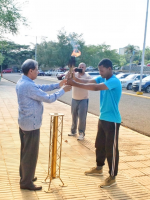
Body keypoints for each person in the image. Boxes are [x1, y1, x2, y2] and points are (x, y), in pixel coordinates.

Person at [16, 59, 71, 191]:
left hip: (25, 122)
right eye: (37, 69)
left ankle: (25, 176)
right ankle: (26, 182)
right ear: (31, 71)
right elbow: (49, 98)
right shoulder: (28, 85)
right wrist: (63, 90)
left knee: (25, 151)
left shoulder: (23, 81)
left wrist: (58, 85)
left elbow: (41, 88)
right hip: (31, 125)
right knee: (30, 154)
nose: (38, 71)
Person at [66, 58, 121, 188]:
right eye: (99, 70)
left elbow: (95, 88)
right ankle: (99, 167)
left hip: (112, 120)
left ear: (109, 69)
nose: (100, 73)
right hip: (103, 118)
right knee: (100, 145)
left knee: (111, 149)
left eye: (102, 70)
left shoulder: (114, 81)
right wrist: (74, 78)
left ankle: (112, 177)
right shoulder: (103, 78)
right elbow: (85, 81)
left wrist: (74, 83)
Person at [68, 62, 92, 140]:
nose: (81, 68)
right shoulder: (74, 74)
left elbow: (84, 82)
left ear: (85, 68)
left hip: (83, 99)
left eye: (82, 67)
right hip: (74, 98)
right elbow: (66, 78)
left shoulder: (87, 76)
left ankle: (81, 133)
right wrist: (72, 71)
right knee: (74, 116)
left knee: (82, 117)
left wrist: (76, 78)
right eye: (80, 67)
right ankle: (73, 131)